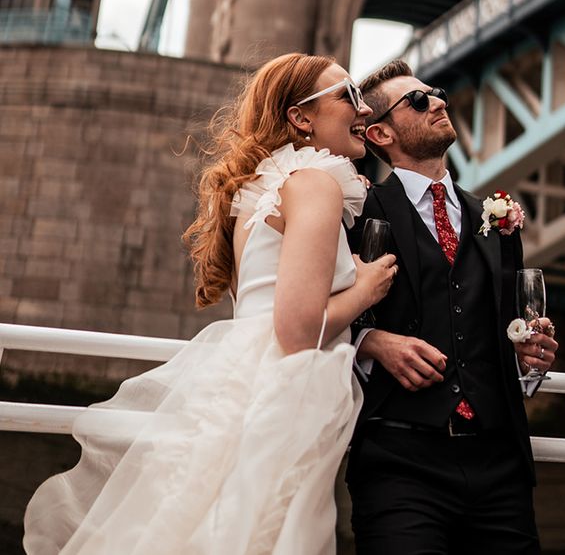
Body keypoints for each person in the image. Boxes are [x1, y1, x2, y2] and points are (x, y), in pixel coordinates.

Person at [23, 53, 397, 555]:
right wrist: (367, 287)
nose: (365, 109)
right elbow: (296, 328)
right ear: (301, 118)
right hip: (284, 392)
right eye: (347, 96)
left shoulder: (264, 186)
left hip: (242, 382)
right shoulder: (314, 184)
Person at [346, 59, 559, 555]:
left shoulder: (497, 220)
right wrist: (371, 341)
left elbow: (506, 328)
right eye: (418, 100)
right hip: (399, 464)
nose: (438, 101)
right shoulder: (358, 212)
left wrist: (529, 357)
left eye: (436, 91)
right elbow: (318, 315)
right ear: (380, 133)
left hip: (498, 464)